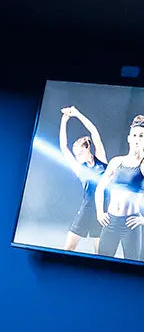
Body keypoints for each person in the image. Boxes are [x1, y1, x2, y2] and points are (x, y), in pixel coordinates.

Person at [95, 114, 144, 261]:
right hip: (110, 221)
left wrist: (143, 220)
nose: (137, 139)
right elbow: (100, 188)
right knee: (101, 262)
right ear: (129, 138)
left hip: (131, 225)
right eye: (134, 135)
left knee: (131, 265)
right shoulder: (116, 162)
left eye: (141, 136)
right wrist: (99, 212)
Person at [59, 105, 107, 253]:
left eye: (79, 153)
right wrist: (64, 120)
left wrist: (78, 114)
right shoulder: (79, 168)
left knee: (101, 254)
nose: (76, 157)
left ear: (87, 149)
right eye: (75, 154)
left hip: (102, 213)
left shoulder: (101, 159)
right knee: (68, 249)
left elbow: (94, 132)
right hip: (86, 211)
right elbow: (63, 147)